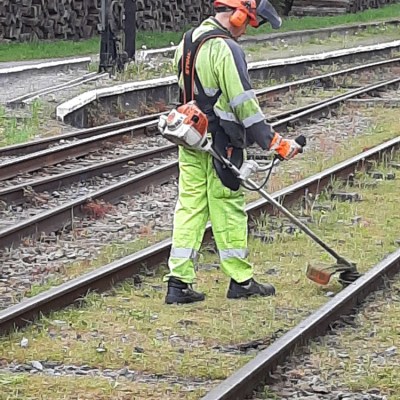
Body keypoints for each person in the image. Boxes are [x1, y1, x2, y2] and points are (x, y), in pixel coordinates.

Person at [164, 0, 302, 304]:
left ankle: (178, 283)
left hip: (190, 136)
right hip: (221, 142)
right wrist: (273, 141)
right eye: (249, 21)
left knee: (190, 207)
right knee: (228, 206)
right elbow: (244, 104)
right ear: (239, 14)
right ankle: (240, 280)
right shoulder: (226, 48)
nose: (246, 29)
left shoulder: (187, 40)